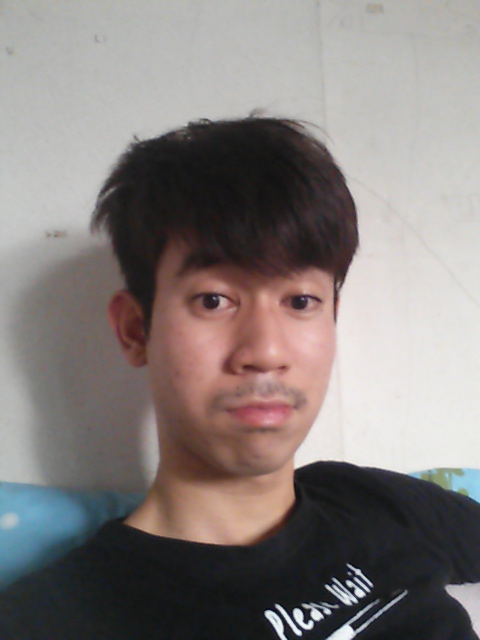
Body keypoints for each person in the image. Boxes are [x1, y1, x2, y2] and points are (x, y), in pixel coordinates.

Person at [0, 116, 479, 639]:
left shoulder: (368, 501)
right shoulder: (52, 619)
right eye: (214, 300)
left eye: (301, 301)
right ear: (136, 329)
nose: (266, 351)